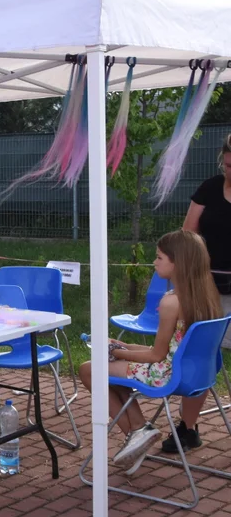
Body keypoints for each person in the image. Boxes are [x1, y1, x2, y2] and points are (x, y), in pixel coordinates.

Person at [80, 230, 223, 474]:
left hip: (166, 374)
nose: (154, 262)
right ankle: (138, 430)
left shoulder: (172, 301)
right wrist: (122, 347)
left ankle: (137, 432)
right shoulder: (206, 296)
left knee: (89, 369)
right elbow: (168, 349)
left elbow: (156, 357)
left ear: (178, 263)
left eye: (159, 257)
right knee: (110, 370)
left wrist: (116, 352)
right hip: (195, 373)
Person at [170, 134, 231, 451]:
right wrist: (189, 275)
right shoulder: (210, 188)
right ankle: (188, 429)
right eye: (229, 164)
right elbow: (188, 234)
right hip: (205, 289)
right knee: (201, 356)